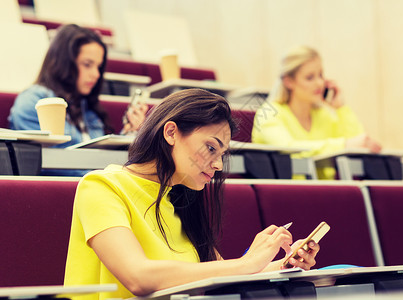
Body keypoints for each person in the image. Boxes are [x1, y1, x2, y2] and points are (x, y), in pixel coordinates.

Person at [64, 89, 320, 300]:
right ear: (171, 132)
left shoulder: (181, 198)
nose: (219, 165)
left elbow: (216, 275)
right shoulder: (100, 187)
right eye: (211, 148)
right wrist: (248, 262)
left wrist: (285, 264)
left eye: (222, 155)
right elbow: (139, 278)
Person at [8, 24, 147, 175]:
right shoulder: (34, 101)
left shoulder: (86, 105)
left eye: (99, 67)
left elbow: (97, 157)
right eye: (87, 65)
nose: (96, 74)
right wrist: (112, 176)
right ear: (64, 63)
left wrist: (131, 133)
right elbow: (50, 164)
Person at [252, 46, 381, 179]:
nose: (320, 83)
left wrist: (341, 108)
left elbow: (360, 144)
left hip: (324, 194)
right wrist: (343, 145)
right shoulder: (267, 114)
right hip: (285, 194)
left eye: (321, 75)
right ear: (288, 81)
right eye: (310, 77)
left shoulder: (323, 115)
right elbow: (288, 148)